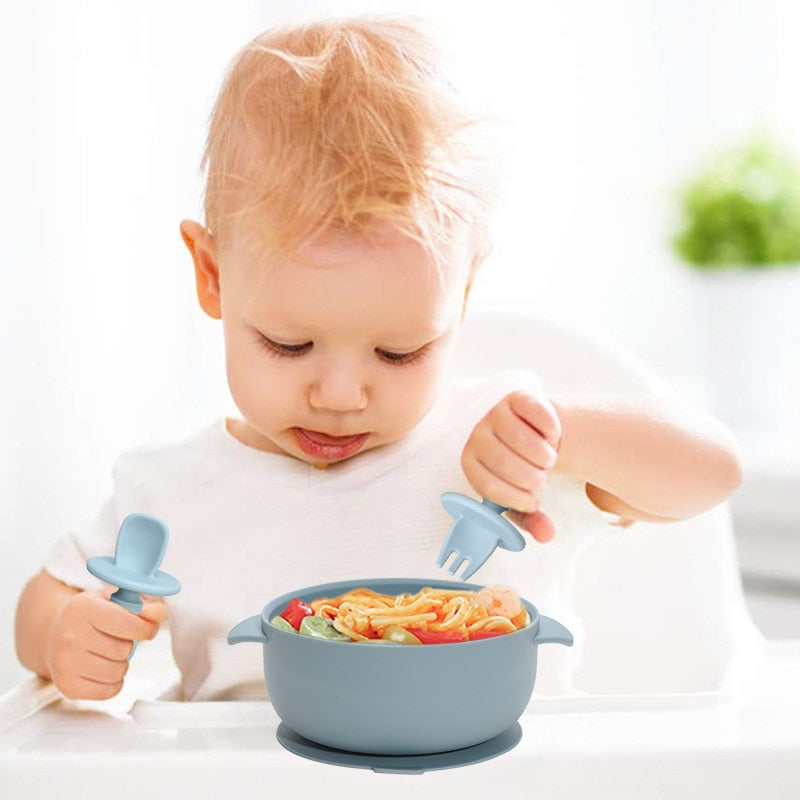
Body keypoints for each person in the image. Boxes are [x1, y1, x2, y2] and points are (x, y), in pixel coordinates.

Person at [14, 16, 742, 702]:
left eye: (399, 352)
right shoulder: (167, 490)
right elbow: (42, 604)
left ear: (461, 296)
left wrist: (562, 437)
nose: (339, 394)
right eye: (288, 345)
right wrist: (62, 636)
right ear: (212, 276)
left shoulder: (502, 449)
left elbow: (715, 472)